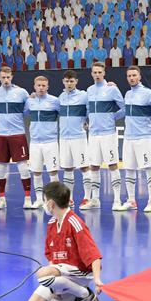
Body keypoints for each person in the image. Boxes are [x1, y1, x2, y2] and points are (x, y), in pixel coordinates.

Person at [25, 181, 103, 301]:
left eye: (44, 201)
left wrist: (97, 279)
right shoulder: (51, 223)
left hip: (80, 273)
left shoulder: (75, 223)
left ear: (51, 204)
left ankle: (84, 295)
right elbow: (51, 257)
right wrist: (56, 288)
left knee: (42, 274)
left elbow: (94, 255)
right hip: (63, 274)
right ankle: (76, 294)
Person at [82, 62, 125, 210]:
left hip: (108, 134)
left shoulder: (112, 89)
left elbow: (124, 107)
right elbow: (88, 109)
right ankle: (95, 199)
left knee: (112, 164)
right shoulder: (89, 90)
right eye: (95, 72)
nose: (97, 75)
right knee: (94, 166)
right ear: (91, 73)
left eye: (100, 72)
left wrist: (112, 117)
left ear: (104, 73)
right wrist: (86, 121)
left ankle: (117, 200)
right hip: (93, 134)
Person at [0, 66, 32, 209]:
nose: (6, 80)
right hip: (1, 135)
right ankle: (1, 199)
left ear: (12, 77)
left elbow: (28, 109)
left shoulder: (21, 92)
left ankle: (27, 198)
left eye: (8, 77)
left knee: (23, 167)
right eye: (3, 77)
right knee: (0, 167)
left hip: (17, 134)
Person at [119, 65, 151, 212]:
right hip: (128, 138)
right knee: (129, 169)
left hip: (143, 138)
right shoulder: (128, 94)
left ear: (139, 76)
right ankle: (131, 201)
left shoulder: (148, 94)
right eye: (129, 76)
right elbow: (123, 112)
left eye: (134, 75)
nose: (131, 78)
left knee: (148, 169)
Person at [25, 76, 61, 208]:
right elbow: (23, 113)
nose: (41, 88)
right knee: (36, 172)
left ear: (47, 87)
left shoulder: (55, 101)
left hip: (50, 142)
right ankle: (39, 199)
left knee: (53, 172)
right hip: (35, 142)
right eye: (38, 85)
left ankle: (55, 200)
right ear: (34, 86)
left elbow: (65, 115)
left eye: (43, 86)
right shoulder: (30, 102)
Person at [59, 70, 91, 207]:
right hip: (64, 138)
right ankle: (69, 198)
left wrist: (88, 121)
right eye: (67, 81)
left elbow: (92, 109)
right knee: (68, 169)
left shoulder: (84, 95)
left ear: (76, 82)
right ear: (63, 82)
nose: (69, 83)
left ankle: (87, 197)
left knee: (84, 167)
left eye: (72, 81)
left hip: (79, 138)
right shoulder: (60, 97)